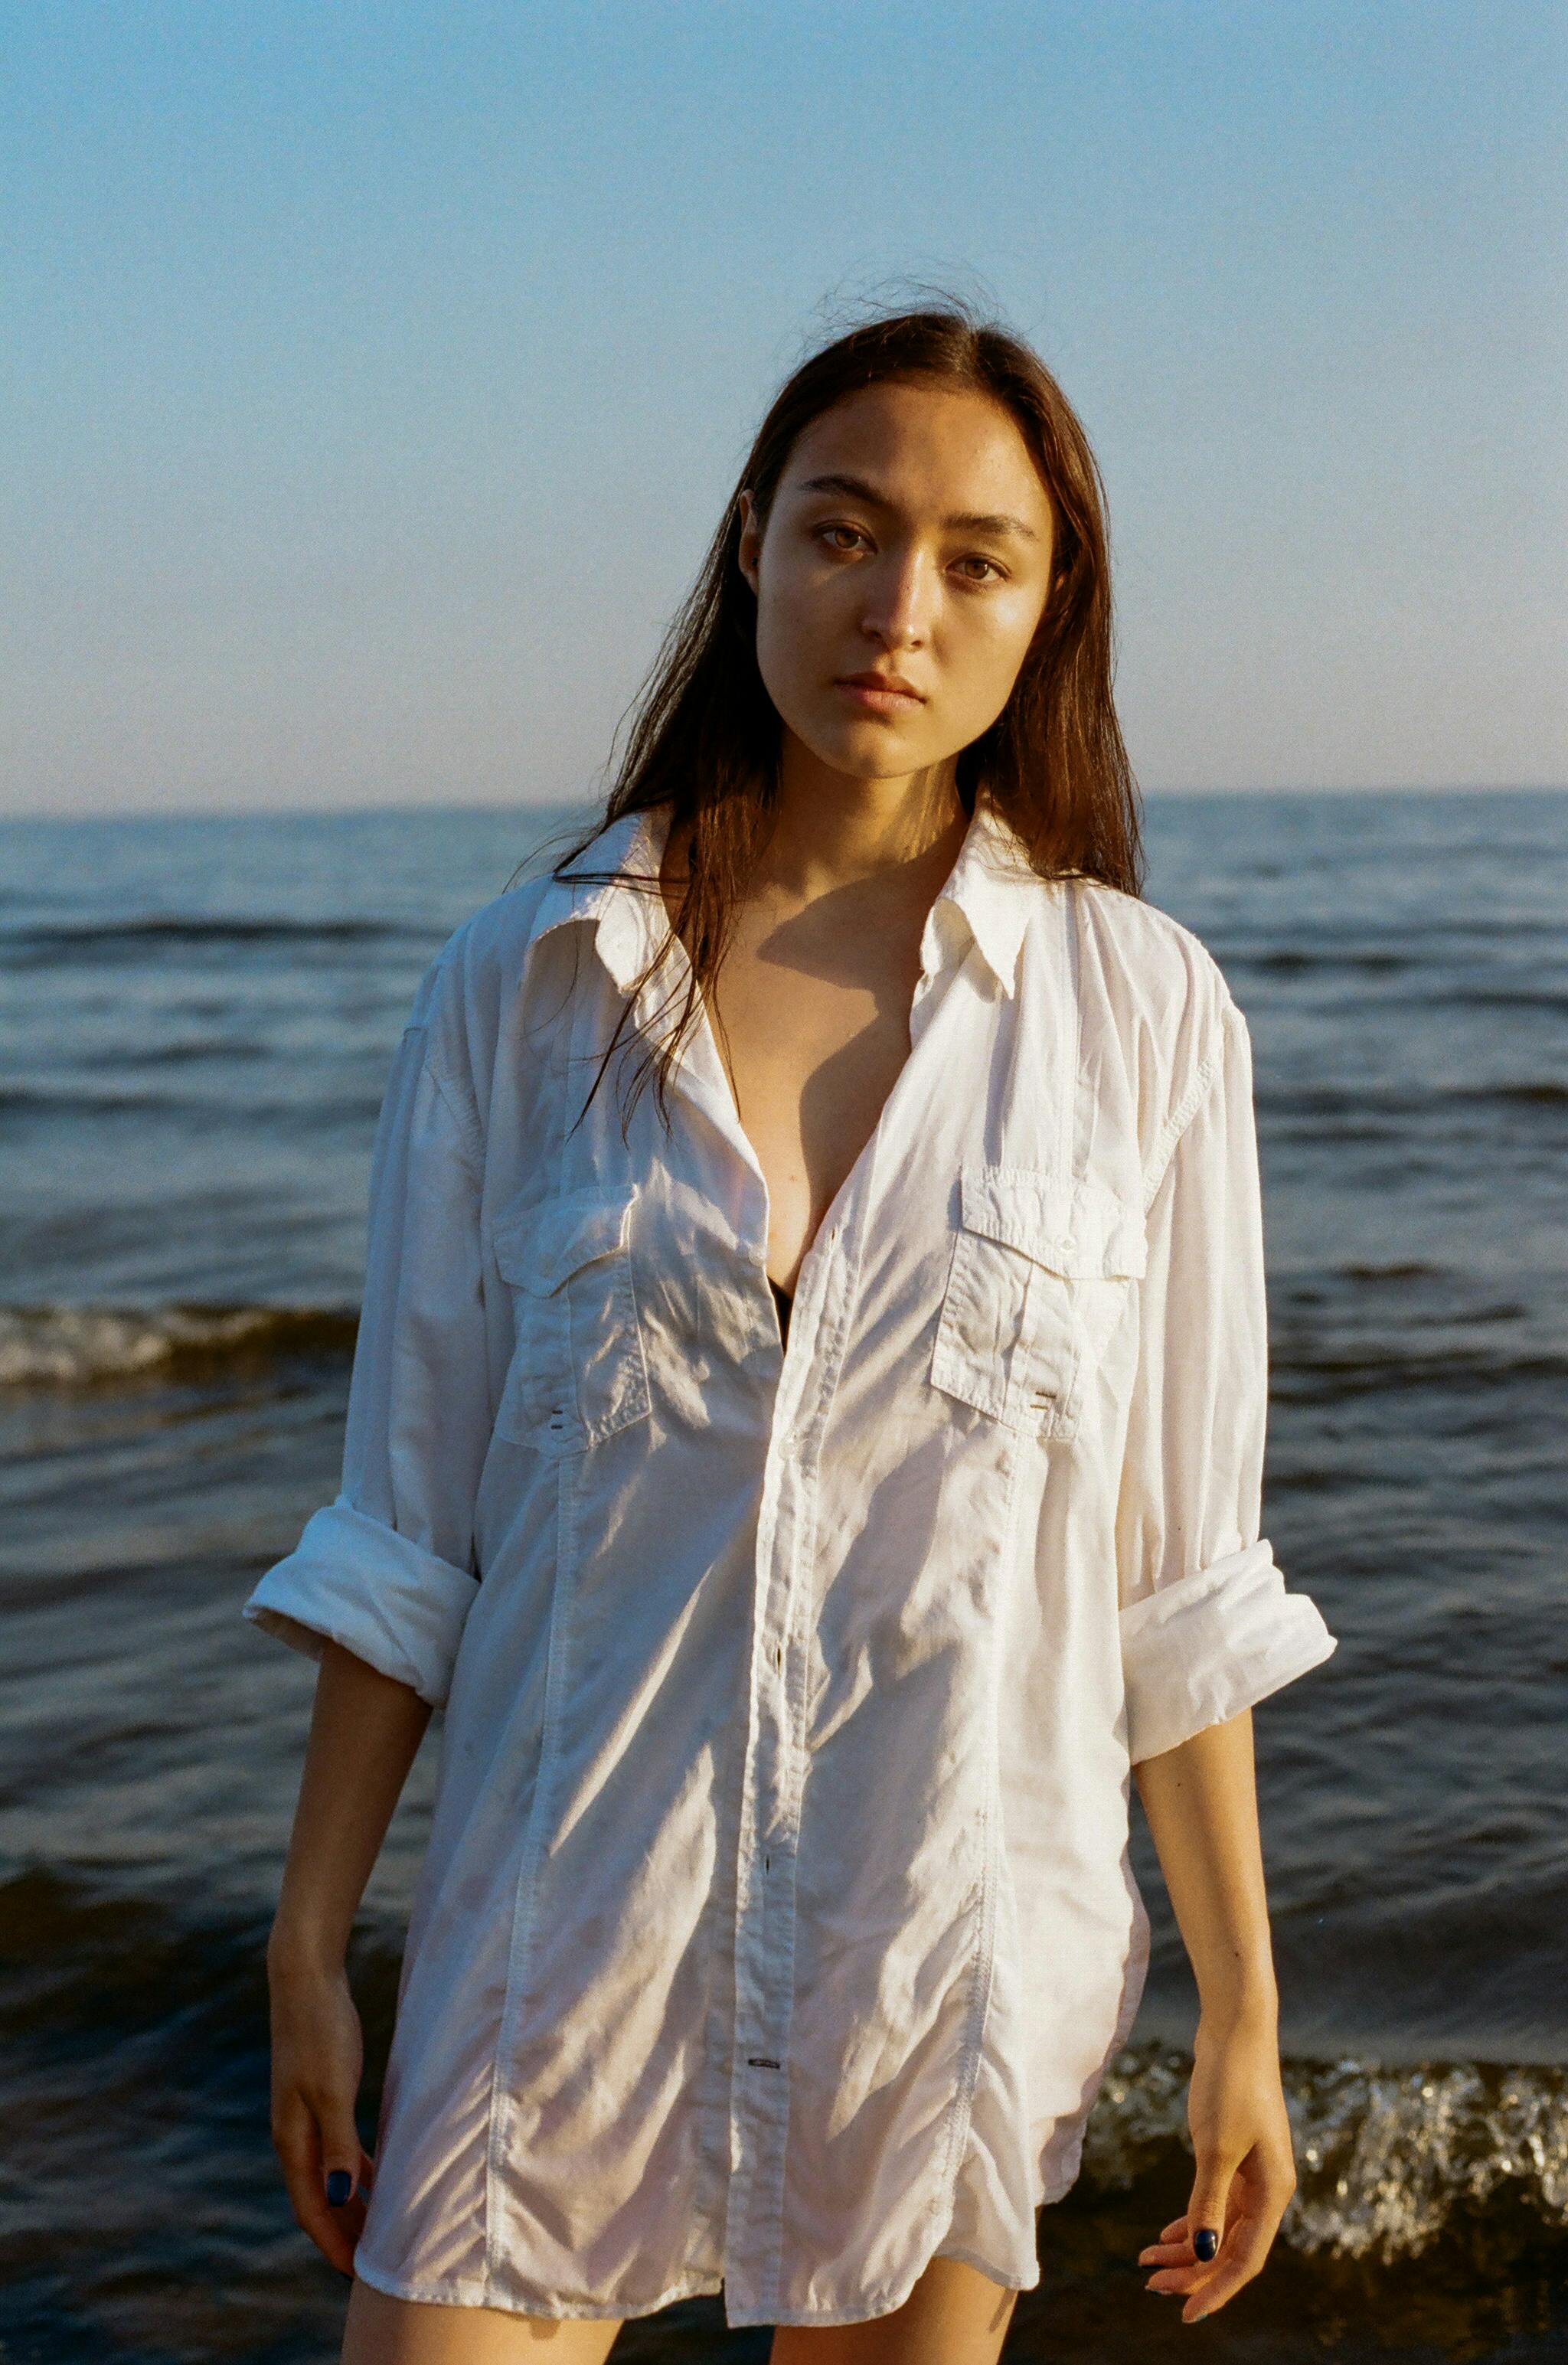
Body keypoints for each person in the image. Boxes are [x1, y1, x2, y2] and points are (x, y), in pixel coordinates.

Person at [248, 302, 1338, 2364]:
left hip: (945, 1955)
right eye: (843, 531)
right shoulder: (530, 982)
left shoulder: (1144, 1015)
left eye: (974, 558)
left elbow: (1178, 1581)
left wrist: (1247, 2020)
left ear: (1048, 606)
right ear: (752, 543)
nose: (896, 606)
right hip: (548, 1942)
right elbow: (407, 1524)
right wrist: (312, 1935)